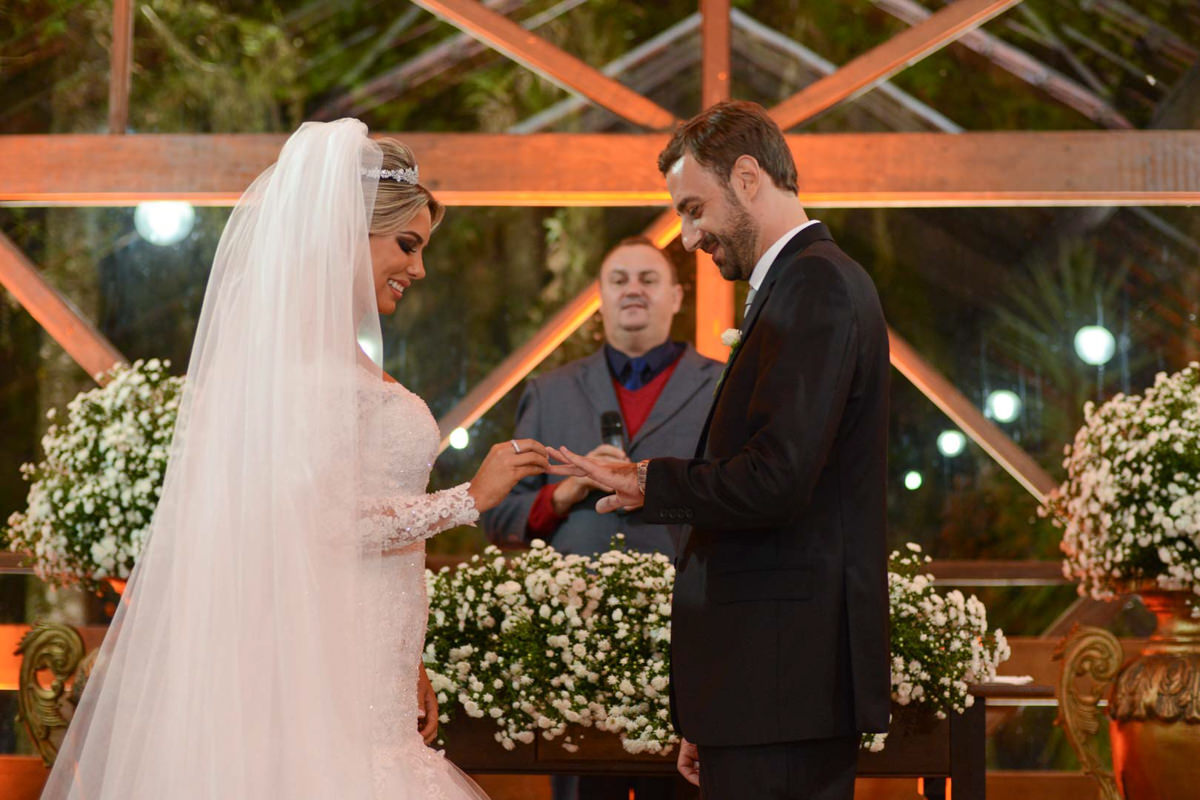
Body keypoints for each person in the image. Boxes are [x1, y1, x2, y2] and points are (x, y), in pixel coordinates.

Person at [42, 119, 547, 799]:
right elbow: (322, 526)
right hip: (325, 669)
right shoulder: (304, 372)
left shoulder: (342, 360)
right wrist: (468, 500)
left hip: (368, 660)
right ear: (345, 234)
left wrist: (403, 665)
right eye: (406, 244)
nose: (419, 269)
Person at [550, 100, 891, 800]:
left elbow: (779, 478)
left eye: (694, 209)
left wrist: (652, 482)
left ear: (746, 177)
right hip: (761, 689)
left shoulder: (816, 284)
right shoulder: (797, 286)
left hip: (783, 685)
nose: (685, 236)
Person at [481, 236, 719, 800]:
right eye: (619, 279)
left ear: (677, 296)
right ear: (600, 297)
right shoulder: (550, 391)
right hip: (572, 653)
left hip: (684, 644)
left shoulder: (720, 387)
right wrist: (562, 494)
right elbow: (497, 516)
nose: (633, 289)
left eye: (648, 278)